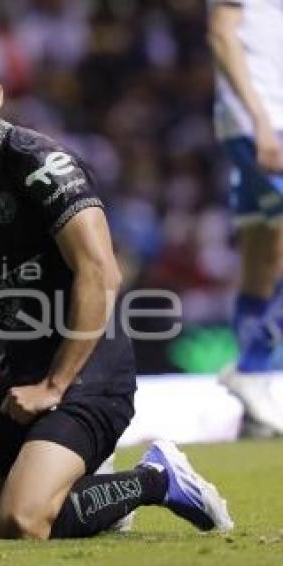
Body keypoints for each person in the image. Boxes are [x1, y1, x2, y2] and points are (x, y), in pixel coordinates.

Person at [0, 38, 233, 540]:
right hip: (19, 380)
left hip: (89, 373)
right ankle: (82, 492)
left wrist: (55, 387)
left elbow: (101, 273)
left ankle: (156, 478)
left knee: (21, 521)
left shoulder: (42, 164)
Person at [208, 0, 283, 435]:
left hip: (267, 120)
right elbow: (221, 34)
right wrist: (260, 121)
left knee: (262, 248)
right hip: (260, 123)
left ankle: (254, 386)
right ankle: (253, 369)